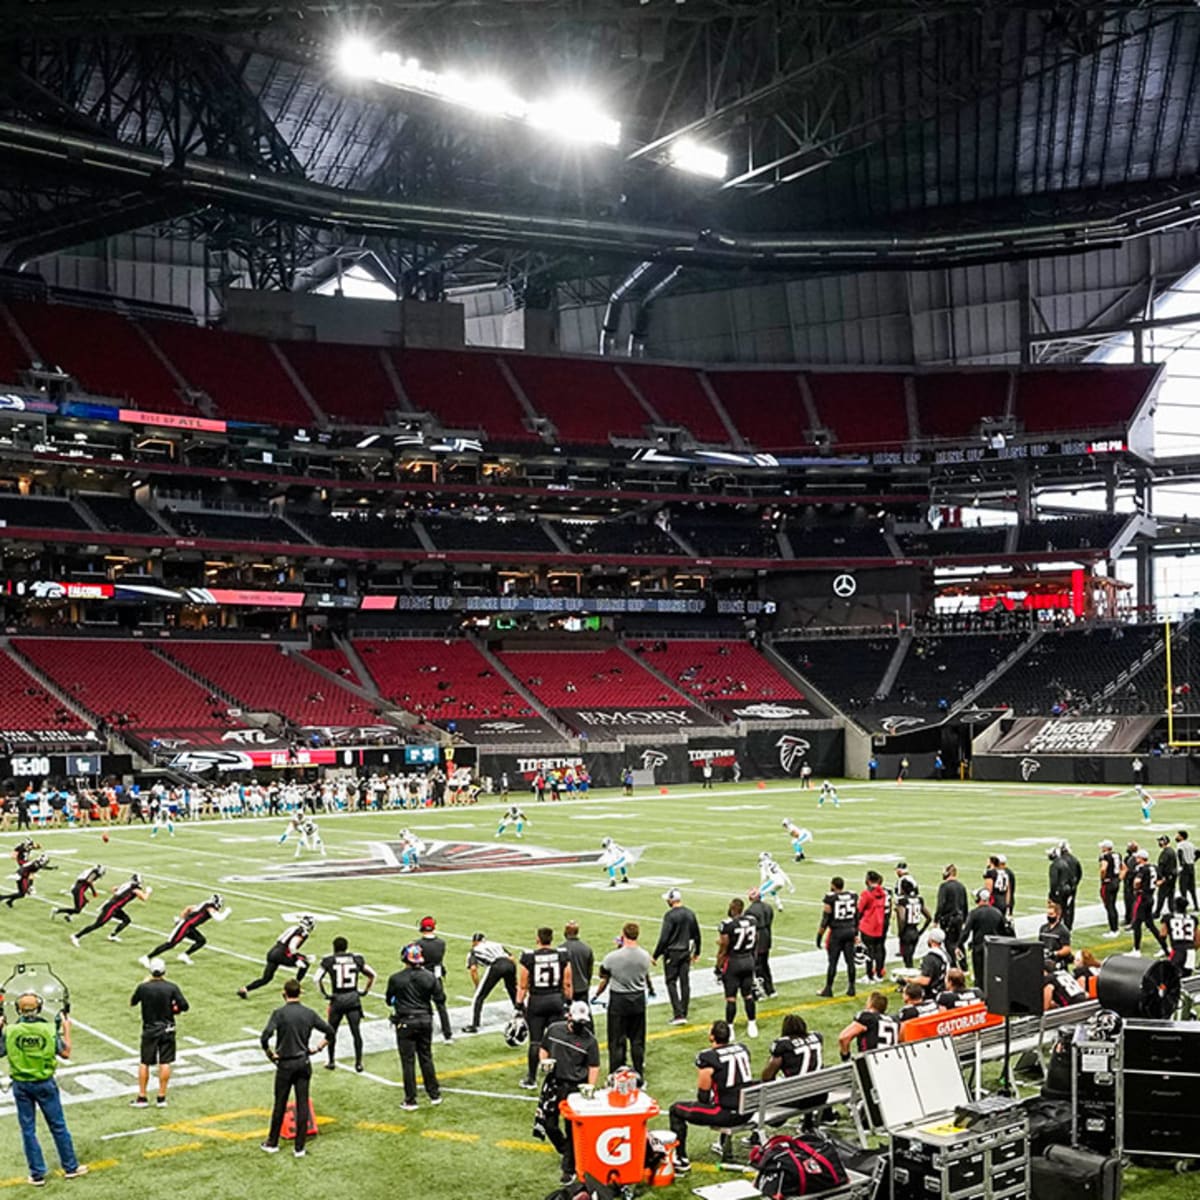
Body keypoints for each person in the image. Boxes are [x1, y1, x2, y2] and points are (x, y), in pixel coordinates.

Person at [0, 989, 87, 1185]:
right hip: (45, 1083)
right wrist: (67, 1030)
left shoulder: (11, 1031)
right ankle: (70, 1167)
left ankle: (37, 1173)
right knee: (58, 1126)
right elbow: (65, 1053)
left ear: (18, 1010)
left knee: (28, 1129)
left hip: (21, 1085)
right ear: (39, 1008)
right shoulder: (47, 1030)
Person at [668, 1020, 753, 1174]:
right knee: (726, 1095)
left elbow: (703, 1095)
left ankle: (681, 1159)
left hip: (728, 1115)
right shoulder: (742, 1049)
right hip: (748, 1110)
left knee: (675, 1109)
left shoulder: (708, 1057)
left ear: (712, 1037)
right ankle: (722, 1144)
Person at [259, 978, 332, 1156]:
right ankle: (300, 1147)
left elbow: (265, 1037)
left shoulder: (279, 1013)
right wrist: (317, 1048)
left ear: (284, 994)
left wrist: (270, 1054)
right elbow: (330, 1031)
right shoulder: (309, 1013)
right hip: (303, 1061)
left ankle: (273, 1142)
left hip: (285, 1063)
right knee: (302, 1102)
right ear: (300, 993)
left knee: (280, 1103)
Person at [537, 1000, 601, 1184]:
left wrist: (590, 1085)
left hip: (575, 1087)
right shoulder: (554, 1030)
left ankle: (568, 1167)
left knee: (571, 1128)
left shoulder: (590, 1040)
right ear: (569, 1016)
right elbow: (543, 1048)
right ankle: (568, 1151)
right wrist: (544, 1061)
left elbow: (593, 1065)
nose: (582, 1024)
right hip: (554, 1083)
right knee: (548, 1123)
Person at [386, 943, 442, 1111]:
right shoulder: (430, 977)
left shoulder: (396, 978)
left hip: (406, 1021)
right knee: (426, 1056)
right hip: (425, 1019)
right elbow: (440, 997)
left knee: (408, 1061)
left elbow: (389, 1000)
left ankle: (410, 1099)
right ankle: (434, 1093)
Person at [593, 922, 651, 1079]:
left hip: (619, 1000)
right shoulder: (645, 956)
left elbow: (603, 974)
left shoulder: (612, 957)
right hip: (638, 999)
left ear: (623, 934)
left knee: (617, 1040)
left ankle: (615, 1074)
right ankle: (639, 1074)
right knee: (637, 1041)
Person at [129, 958, 189, 1108]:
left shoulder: (144, 987)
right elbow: (184, 1006)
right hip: (167, 1027)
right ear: (164, 971)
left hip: (150, 1028)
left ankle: (142, 1097)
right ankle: (161, 1097)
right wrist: (174, 1009)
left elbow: (132, 1002)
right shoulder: (172, 987)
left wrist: (143, 985)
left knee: (145, 1062)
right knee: (165, 1062)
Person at [517, 927, 572, 1089]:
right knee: (557, 1039)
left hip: (537, 1001)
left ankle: (531, 1078)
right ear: (551, 939)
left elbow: (522, 985)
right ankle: (561, 1075)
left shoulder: (529, 957)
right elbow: (567, 983)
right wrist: (569, 1001)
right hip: (556, 1000)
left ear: (538, 939)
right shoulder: (561, 955)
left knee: (535, 1041)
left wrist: (518, 1005)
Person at [314, 936, 376, 1072]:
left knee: (331, 1031)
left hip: (337, 1000)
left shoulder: (329, 960)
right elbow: (372, 974)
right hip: (353, 999)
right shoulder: (356, 959)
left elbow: (317, 978)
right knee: (356, 1032)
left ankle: (331, 1060)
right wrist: (365, 991)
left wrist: (325, 994)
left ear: (334, 947)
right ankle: (359, 1062)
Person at [142, 892, 230, 967]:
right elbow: (219, 918)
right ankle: (146, 957)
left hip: (189, 926)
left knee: (201, 940)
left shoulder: (205, 905)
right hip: (186, 925)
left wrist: (180, 918)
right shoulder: (209, 907)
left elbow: (189, 908)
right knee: (171, 944)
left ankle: (184, 955)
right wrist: (227, 912)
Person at [653, 888, 701, 1025]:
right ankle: (684, 1011)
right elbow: (697, 935)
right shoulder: (690, 913)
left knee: (671, 982)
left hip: (672, 953)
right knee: (685, 982)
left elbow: (664, 938)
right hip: (686, 951)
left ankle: (678, 1014)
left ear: (671, 900)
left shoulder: (670, 916)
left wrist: (656, 955)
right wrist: (697, 952)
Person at [239, 915, 315, 998]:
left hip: (273, 951)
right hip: (281, 955)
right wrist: (297, 958)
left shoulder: (293, 928)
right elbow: (292, 946)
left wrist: (302, 956)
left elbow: (280, 939)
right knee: (305, 965)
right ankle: (295, 988)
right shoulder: (302, 933)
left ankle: (245, 989)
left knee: (266, 979)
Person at [716, 897, 759, 1038]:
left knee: (731, 998)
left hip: (734, 962)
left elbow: (724, 947)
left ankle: (730, 1028)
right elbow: (756, 940)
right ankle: (752, 1024)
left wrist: (718, 967)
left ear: (733, 908)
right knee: (748, 995)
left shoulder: (727, 924)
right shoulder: (752, 921)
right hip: (748, 960)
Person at [70, 871, 149, 944]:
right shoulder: (135, 889)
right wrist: (148, 891)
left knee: (126, 920)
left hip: (115, 907)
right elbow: (144, 898)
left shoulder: (127, 884)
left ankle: (112, 935)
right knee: (97, 924)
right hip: (111, 908)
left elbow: (114, 888)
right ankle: (76, 936)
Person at [462, 932, 517, 1033]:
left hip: (496, 966)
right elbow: (512, 958)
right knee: (513, 991)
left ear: (474, 942)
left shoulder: (474, 950)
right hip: (509, 964)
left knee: (479, 997)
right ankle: (523, 1014)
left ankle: (474, 1024)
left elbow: (473, 969)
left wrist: (477, 986)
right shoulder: (495, 944)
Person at [817, 875, 858, 998]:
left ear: (833, 885)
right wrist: (856, 932)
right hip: (850, 930)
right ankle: (851, 988)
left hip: (837, 932)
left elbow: (825, 919)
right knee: (850, 961)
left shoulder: (830, 898)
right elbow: (857, 916)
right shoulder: (852, 896)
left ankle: (828, 989)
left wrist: (819, 936)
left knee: (833, 962)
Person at [417, 916, 454, 1043]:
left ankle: (426, 1032)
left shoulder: (418, 944)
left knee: (423, 1005)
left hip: (423, 976)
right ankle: (447, 1034)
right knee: (441, 1005)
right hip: (436, 976)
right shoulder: (441, 943)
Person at [962, 888, 1005, 988]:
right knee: (993, 974)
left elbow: (966, 932)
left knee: (979, 976)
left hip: (978, 948)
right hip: (994, 948)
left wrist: (959, 944)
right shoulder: (997, 913)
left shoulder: (974, 913)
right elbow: (1004, 932)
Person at [1130, 848, 1168, 955]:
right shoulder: (1154, 867)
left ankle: (1136, 949)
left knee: (1137, 923)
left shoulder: (1142, 869)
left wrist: (1136, 889)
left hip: (1142, 897)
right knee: (1150, 925)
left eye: (1138, 857)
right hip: (1150, 897)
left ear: (1141, 858)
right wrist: (1153, 885)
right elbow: (1162, 880)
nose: (1136, 859)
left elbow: (1137, 881)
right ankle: (1165, 947)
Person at [837, 992, 898, 1059]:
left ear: (870, 1004)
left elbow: (843, 1037)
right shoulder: (894, 1020)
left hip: (872, 1061)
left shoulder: (867, 1017)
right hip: (891, 1061)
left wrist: (845, 1056)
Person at [857, 871, 890, 983]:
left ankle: (869, 975)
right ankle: (879, 974)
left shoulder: (866, 893)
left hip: (868, 925)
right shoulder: (884, 892)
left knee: (868, 950)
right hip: (880, 925)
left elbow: (859, 910)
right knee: (880, 948)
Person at [935, 864, 969, 967]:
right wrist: (965, 919)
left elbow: (941, 904)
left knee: (949, 943)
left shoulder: (944, 886)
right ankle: (964, 965)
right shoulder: (961, 886)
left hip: (948, 919)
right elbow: (965, 905)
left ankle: (953, 965)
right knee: (959, 943)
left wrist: (936, 920)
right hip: (959, 918)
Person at [895, 876, 931, 970]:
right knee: (909, 957)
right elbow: (929, 917)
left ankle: (911, 980)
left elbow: (902, 919)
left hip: (907, 932)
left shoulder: (902, 901)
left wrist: (901, 932)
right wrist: (921, 931)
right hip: (915, 931)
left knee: (907, 961)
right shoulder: (918, 899)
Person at [746, 888, 776, 998]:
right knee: (765, 965)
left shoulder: (750, 910)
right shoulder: (768, 907)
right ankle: (770, 989)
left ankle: (760, 991)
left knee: (757, 966)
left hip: (758, 939)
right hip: (767, 936)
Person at [560, 921, 594, 1005]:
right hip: (582, 987)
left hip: (565, 989)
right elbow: (589, 970)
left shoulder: (560, 949)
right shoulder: (586, 948)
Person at [1163, 897, 1199, 976]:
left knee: (1171, 976)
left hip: (1177, 950)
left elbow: (1163, 934)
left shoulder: (1169, 917)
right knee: (1187, 978)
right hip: (1190, 951)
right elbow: (1198, 940)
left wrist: (1166, 948)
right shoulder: (1193, 919)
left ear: (1175, 905)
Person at [1098, 838, 1122, 937]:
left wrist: (1103, 878)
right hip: (1115, 881)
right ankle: (1115, 927)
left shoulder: (1105, 856)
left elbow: (1103, 868)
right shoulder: (1117, 855)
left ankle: (1114, 929)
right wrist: (1119, 878)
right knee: (1112, 905)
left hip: (1108, 882)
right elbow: (1124, 868)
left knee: (1109, 906)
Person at [1057, 840, 1083, 929]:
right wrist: (1075, 884)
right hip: (1072, 887)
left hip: (1062, 888)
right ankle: (1069, 926)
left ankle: (1061, 925)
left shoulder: (1060, 860)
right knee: (1070, 907)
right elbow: (1079, 873)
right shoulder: (1074, 859)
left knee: (1060, 907)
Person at [1155, 834, 1179, 919]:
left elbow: (1162, 866)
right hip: (1172, 876)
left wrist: (1160, 878)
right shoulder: (1172, 851)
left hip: (1166, 877)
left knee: (1161, 896)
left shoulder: (1165, 853)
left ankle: (1157, 912)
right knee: (1170, 895)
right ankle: (1172, 910)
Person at [1177, 830, 1198, 909]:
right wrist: (1193, 860)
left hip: (1185, 867)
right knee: (1192, 888)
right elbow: (1198, 852)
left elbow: (1180, 854)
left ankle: (1183, 907)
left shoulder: (1180, 844)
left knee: (1183, 888)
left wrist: (1181, 865)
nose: (1177, 837)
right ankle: (1196, 906)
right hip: (1191, 866)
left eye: (1178, 835)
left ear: (1181, 837)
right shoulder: (1191, 844)